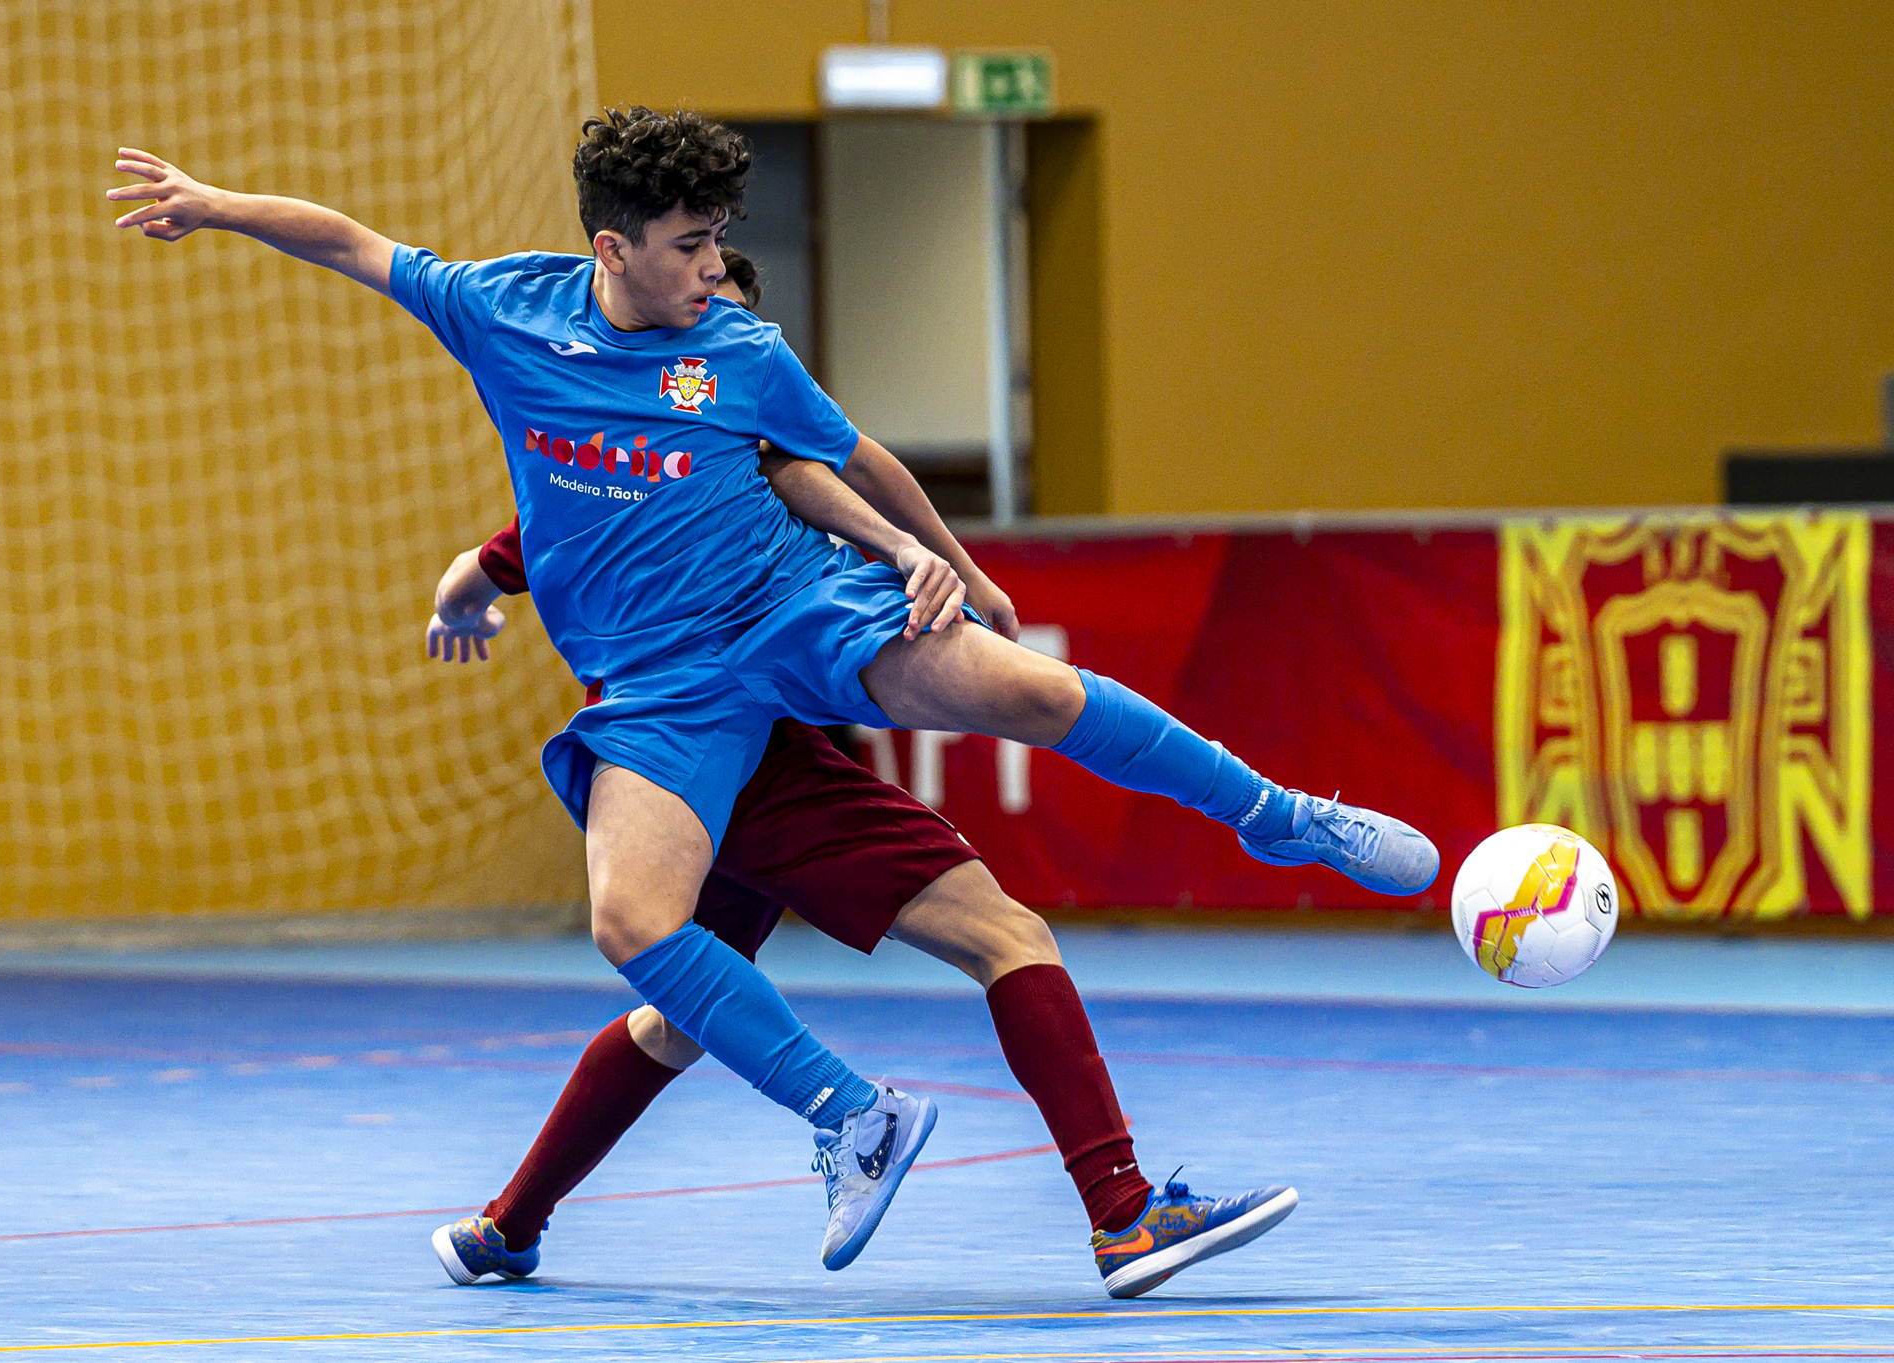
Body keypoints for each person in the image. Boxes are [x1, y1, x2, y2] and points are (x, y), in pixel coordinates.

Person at [106, 107, 1436, 1275]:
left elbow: (843, 458)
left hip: (790, 615)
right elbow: (351, 243)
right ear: (612, 246)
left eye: (719, 240)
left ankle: (1279, 817)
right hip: (668, 690)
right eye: (690, 244)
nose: (714, 269)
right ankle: (814, 1128)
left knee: (1022, 688)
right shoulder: (504, 311)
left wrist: (949, 563)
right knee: (636, 928)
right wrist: (215, 206)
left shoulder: (737, 347)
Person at [418, 251, 1297, 1300]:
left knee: (678, 1016)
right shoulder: (730, 474)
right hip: (748, 774)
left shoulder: (661, 467)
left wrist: (459, 594)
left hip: (705, 768)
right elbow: (519, 551)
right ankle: (1120, 1211)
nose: (707, 347)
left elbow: (498, 555)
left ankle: (510, 1224)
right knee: (1004, 934)